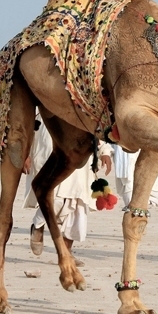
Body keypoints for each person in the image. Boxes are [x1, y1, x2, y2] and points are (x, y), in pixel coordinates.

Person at [23, 114, 112, 266]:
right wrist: (25, 153)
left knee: (78, 206)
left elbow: (96, 119)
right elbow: (28, 119)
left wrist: (105, 150)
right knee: (54, 196)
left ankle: (66, 254)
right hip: (51, 144)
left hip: (81, 150)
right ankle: (38, 225)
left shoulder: (84, 95)